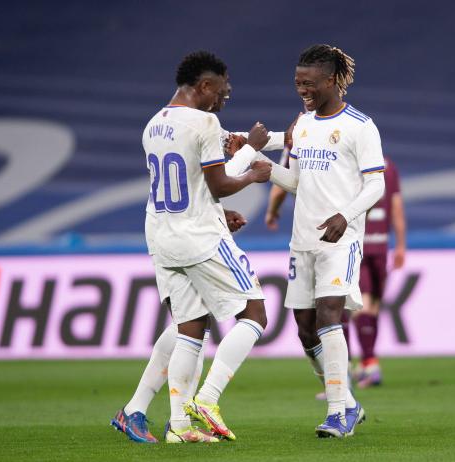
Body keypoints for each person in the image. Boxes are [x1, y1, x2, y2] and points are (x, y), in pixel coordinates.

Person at [111, 50, 273, 444]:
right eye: (222, 91)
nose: (224, 98)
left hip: (162, 234)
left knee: (191, 328)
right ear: (204, 86)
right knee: (254, 313)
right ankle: (207, 399)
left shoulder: (153, 124)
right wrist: (253, 168)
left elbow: (190, 184)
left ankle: (167, 423)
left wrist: (221, 206)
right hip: (197, 237)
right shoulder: (204, 121)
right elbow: (217, 184)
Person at [261, 44, 386, 438]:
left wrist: (345, 216)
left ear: (332, 80)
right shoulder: (302, 125)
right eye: (298, 83)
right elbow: (297, 182)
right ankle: (347, 400)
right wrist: (265, 169)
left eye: (310, 83)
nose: (303, 90)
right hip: (304, 239)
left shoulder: (360, 126)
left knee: (330, 311)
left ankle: (338, 413)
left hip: (341, 238)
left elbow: (377, 184)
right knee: (304, 327)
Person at [352, 156, 406, 388]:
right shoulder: (390, 166)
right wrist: (401, 245)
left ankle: (369, 362)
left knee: (359, 305)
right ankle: (368, 364)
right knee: (373, 305)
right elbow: (396, 208)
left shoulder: (353, 164)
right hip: (382, 245)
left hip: (360, 244)